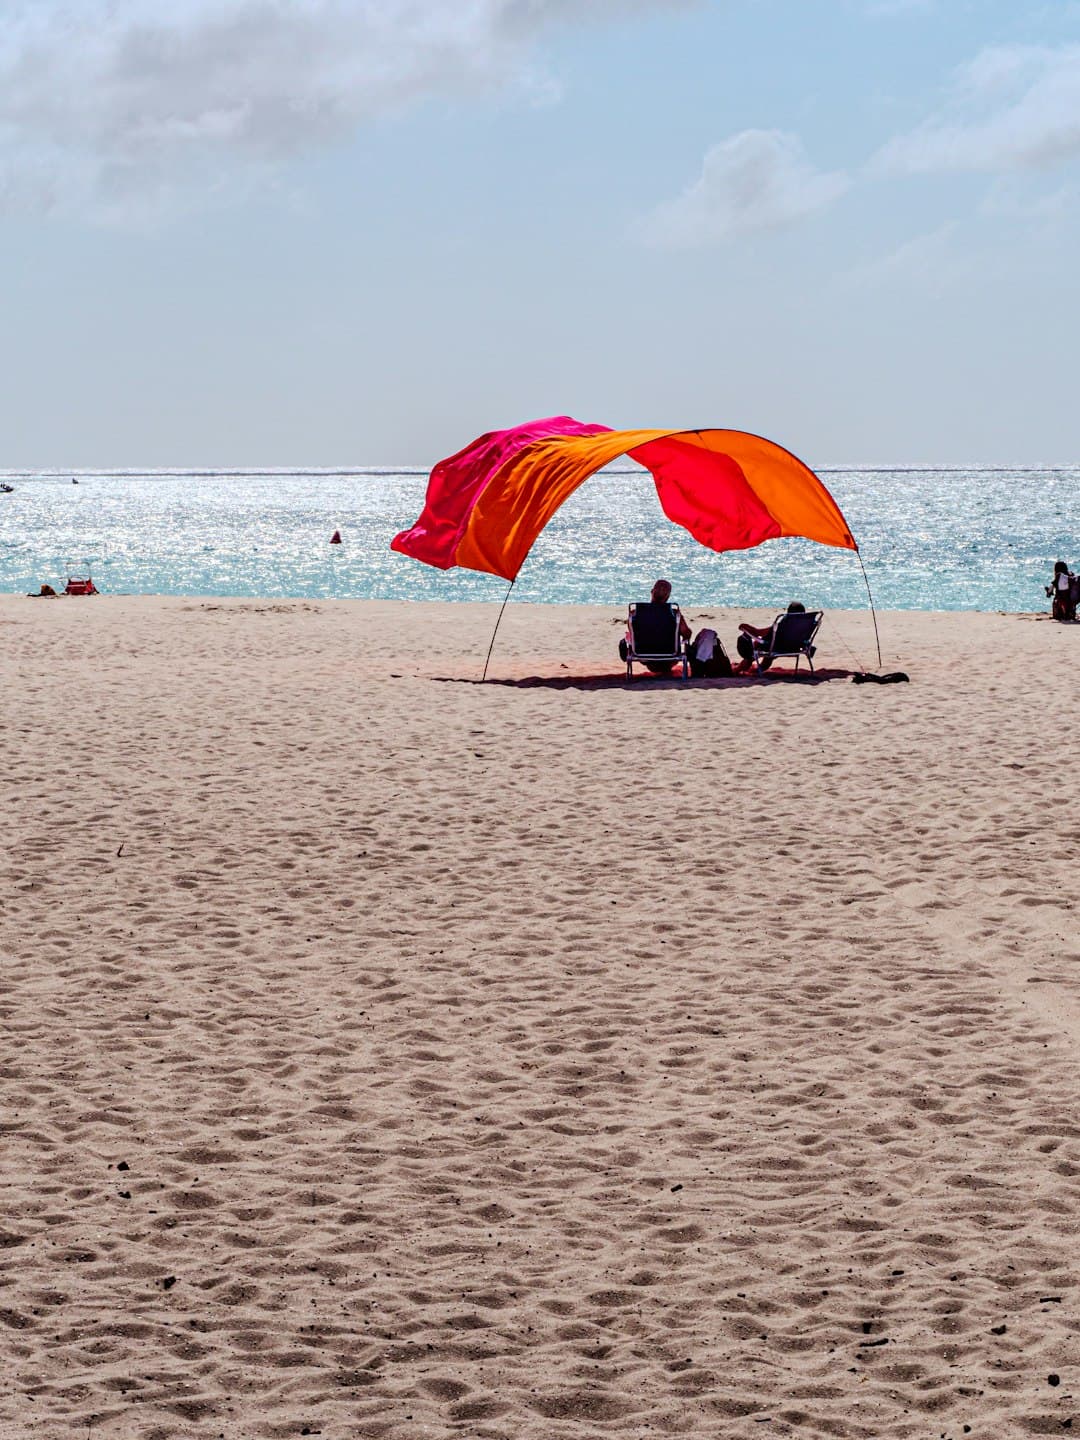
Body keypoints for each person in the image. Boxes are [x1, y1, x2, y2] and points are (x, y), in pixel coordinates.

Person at [619, 578, 692, 673]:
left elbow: (633, 634)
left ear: (652, 591)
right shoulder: (674, 614)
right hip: (670, 654)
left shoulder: (635, 614)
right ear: (668, 596)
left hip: (642, 654)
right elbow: (686, 633)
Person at [734, 600, 805, 674]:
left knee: (759, 645)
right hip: (795, 647)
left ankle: (739, 668)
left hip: (778, 647)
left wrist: (747, 629)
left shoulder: (785, 624)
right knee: (769, 647)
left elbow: (760, 633)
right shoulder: (806, 624)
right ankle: (758, 669)